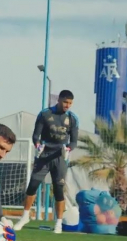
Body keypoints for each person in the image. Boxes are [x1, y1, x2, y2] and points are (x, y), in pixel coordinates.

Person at [13, 90, 79, 233]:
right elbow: (36, 136)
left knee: (59, 189)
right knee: (33, 185)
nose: (67, 105)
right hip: (44, 155)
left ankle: (59, 223)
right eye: (65, 102)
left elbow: (73, 141)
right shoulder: (45, 114)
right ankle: (25, 217)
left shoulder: (72, 118)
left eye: (70, 103)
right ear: (59, 100)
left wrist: (68, 149)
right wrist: (38, 146)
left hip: (59, 157)